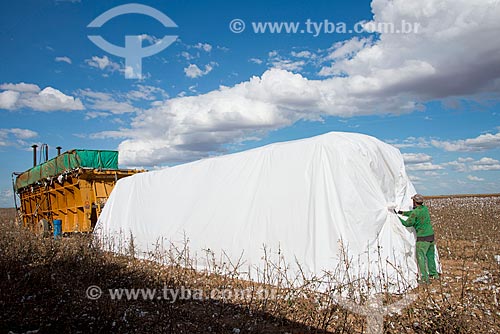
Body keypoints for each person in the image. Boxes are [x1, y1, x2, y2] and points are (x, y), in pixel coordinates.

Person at [397, 194, 438, 284]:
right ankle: (434, 274)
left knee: (421, 257)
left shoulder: (416, 212)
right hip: (431, 236)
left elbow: (408, 223)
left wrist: (397, 218)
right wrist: (402, 213)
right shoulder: (425, 209)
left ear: (415, 202)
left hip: (423, 238)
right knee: (430, 256)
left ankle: (424, 279)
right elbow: (413, 213)